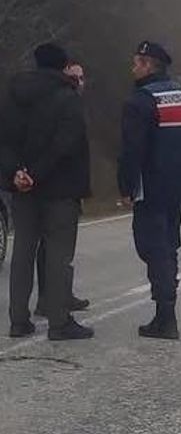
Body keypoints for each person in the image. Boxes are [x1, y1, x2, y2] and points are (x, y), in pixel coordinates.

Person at [118, 41, 181, 340]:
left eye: (136, 62)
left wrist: (126, 186)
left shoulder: (140, 101)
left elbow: (132, 149)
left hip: (152, 184)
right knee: (169, 241)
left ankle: (165, 316)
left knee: (151, 245)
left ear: (148, 65)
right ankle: (165, 308)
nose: (132, 68)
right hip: (179, 183)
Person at [0, 43, 94, 340]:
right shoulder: (67, 98)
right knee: (58, 254)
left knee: (23, 251)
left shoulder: (12, 95)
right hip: (59, 188)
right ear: (63, 65)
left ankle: (18, 320)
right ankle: (59, 321)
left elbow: (4, 140)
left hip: (21, 188)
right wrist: (36, 174)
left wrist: (17, 172)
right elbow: (65, 144)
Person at [33, 61, 89, 317]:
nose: (79, 81)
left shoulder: (68, 104)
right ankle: (54, 302)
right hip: (58, 187)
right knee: (58, 248)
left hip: (58, 184)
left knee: (56, 247)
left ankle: (59, 295)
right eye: (73, 77)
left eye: (81, 77)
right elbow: (63, 147)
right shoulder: (64, 105)